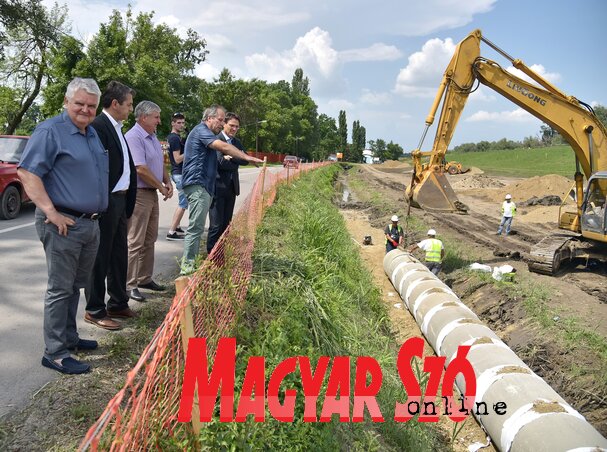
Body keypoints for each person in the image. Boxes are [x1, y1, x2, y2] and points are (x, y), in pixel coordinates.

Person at [17, 77, 108, 374]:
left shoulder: (90, 133)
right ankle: (55, 352)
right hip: (63, 224)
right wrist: (50, 212)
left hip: (88, 225)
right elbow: (28, 173)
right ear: (67, 102)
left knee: (74, 287)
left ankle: (69, 338)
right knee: (60, 289)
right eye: (79, 103)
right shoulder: (50, 131)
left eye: (91, 106)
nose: (85, 110)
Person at [180, 104, 264, 274]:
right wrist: (246, 156)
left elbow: (228, 157)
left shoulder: (209, 135)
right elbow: (224, 152)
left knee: (209, 227)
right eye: (220, 120)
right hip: (198, 184)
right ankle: (187, 270)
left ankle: (195, 265)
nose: (222, 123)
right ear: (209, 118)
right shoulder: (201, 131)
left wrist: (236, 158)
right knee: (197, 228)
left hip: (207, 187)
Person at [83, 81, 138, 331]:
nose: (130, 109)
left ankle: (117, 301)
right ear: (115, 104)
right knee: (100, 256)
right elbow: (95, 168)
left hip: (120, 200)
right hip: (106, 201)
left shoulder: (117, 127)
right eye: (128, 104)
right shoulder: (98, 127)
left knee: (118, 255)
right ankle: (95, 309)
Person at [125, 101, 173, 301]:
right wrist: (161, 187)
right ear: (143, 117)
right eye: (156, 117)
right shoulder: (133, 136)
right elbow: (140, 168)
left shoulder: (152, 136)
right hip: (139, 193)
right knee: (135, 241)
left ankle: (144, 278)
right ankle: (129, 284)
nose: (159, 121)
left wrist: (167, 180)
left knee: (150, 239)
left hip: (151, 193)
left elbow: (158, 163)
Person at [206, 112, 248, 254]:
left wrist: (232, 158)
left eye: (237, 127)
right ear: (224, 124)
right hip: (217, 188)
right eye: (231, 125)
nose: (234, 129)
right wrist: (231, 158)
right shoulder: (216, 140)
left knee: (226, 225)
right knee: (216, 225)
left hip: (231, 188)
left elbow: (245, 159)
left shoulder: (236, 143)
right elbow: (221, 163)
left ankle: (221, 255)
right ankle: (210, 258)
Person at [166, 112, 188, 240]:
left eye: (183, 123)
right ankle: (171, 232)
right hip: (179, 173)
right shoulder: (174, 138)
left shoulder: (174, 137)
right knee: (183, 204)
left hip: (178, 173)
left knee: (182, 202)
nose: (181, 125)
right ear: (173, 123)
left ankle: (177, 226)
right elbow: (177, 159)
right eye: (178, 122)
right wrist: (190, 150)